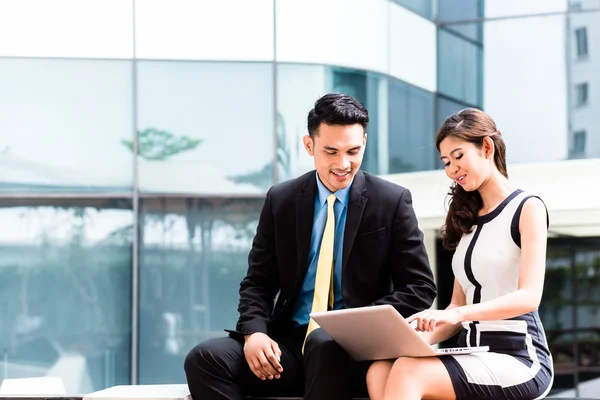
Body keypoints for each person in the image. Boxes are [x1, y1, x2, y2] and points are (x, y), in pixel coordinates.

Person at [184, 92, 437, 400]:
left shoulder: (392, 201)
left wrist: (355, 324)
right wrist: (255, 332)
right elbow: (258, 282)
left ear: (365, 143)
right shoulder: (282, 200)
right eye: (331, 151)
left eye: (353, 151)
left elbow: (420, 286)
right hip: (289, 346)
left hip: (355, 350)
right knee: (205, 359)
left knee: (324, 342)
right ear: (309, 145)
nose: (343, 164)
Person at [366, 108, 554, 400]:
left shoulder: (528, 208)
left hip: (518, 355)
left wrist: (455, 314)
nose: (451, 169)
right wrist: (414, 333)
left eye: (458, 156)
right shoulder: (466, 219)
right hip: (469, 349)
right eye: (445, 162)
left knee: (407, 371)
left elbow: (529, 297)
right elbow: (455, 306)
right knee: (380, 368)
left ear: (487, 147)